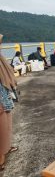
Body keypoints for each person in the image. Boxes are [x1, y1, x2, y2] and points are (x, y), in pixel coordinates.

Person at [0, 34, 18, 171]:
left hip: (4, 95)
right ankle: (1, 156)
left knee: (7, 122)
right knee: (2, 125)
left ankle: (6, 146)